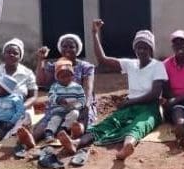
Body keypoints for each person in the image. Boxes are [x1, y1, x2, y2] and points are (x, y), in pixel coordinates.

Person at [57, 19, 167, 161]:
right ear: (134, 49)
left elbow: (154, 94)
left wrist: (130, 102)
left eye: (145, 47)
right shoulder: (131, 64)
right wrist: (95, 33)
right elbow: (103, 59)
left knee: (140, 125)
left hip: (149, 108)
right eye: (139, 47)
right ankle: (76, 143)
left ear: (151, 49)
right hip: (130, 105)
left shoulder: (158, 66)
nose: (142, 51)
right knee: (110, 121)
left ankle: (127, 147)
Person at [16, 32, 96, 163]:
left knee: (80, 123)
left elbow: (88, 88)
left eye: (72, 47)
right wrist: (41, 60)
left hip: (79, 104)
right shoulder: (54, 66)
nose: (68, 50)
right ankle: (30, 141)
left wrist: (86, 104)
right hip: (59, 106)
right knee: (47, 123)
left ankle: (73, 139)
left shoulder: (86, 67)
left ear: (78, 49)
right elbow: (40, 82)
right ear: (60, 48)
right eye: (65, 46)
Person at [42, 58, 86, 143]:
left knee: (75, 114)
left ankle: (63, 130)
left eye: (68, 76)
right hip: (58, 110)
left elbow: (82, 99)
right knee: (54, 120)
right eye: (62, 77)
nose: (66, 79)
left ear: (72, 76)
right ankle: (49, 134)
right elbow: (51, 96)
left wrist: (75, 106)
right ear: (57, 77)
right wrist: (58, 99)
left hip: (71, 109)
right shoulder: (55, 86)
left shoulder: (77, 87)